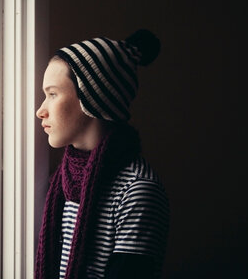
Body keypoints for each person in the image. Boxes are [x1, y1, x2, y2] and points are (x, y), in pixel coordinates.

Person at [34, 29, 169, 279]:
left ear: (93, 98)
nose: (40, 110)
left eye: (52, 94)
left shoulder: (137, 190)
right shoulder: (64, 182)